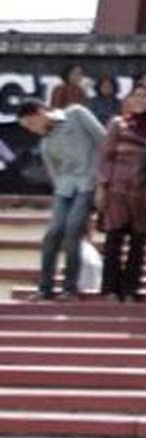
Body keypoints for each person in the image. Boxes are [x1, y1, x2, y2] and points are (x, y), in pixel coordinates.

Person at [16, 98, 107, 301]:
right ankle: (45, 287)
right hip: (64, 189)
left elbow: (104, 141)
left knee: (73, 229)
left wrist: (103, 182)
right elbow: (54, 173)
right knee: (53, 232)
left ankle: (70, 288)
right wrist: (61, 192)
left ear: (41, 112)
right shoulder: (45, 143)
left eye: (31, 123)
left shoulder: (76, 113)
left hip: (89, 181)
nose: (31, 129)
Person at [94, 83, 146, 302]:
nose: (141, 100)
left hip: (143, 192)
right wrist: (101, 187)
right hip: (116, 190)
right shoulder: (118, 124)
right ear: (129, 100)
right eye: (137, 96)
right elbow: (105, 156)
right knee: (114, 240)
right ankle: (110, 290)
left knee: (138, 243)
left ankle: (130, 289)